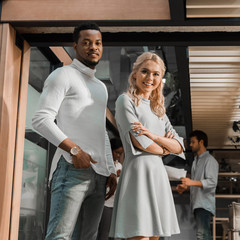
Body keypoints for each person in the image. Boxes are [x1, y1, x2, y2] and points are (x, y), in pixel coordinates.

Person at [32, 22, 117, 240]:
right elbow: (41, 120)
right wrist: (75, 151)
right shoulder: (63, 75)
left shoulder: (100, 86)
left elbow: (100, 133)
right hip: (72, 168)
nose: (93, 47)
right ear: (75, 46)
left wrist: (110, 170)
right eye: (86, 42)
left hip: (100, 174)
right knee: (59, 237)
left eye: (97, 43)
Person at [109, 52, 184, 240]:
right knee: (139, 235)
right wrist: (166, 147)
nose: (150, 78)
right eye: (145, 71)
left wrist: (153, 136)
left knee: (154, 236)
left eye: (156, 74)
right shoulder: (125, 101)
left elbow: (180, 145)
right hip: (137, 174)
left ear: (161, 78)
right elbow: (140, 143)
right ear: (135, 74)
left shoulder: (159, 110)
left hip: (157, 175)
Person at [176, 130, 219, 240]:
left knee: (203, 234)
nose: (190, 145)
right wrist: (185, 187)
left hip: (204, 204)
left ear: (201, 142)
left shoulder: (210, 160)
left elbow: (212, 182)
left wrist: (191, 182)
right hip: (197, 203)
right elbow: (195, 182)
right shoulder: (196, 161)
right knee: (202, 234)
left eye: (193, 142)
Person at [97, 138, 124, 240]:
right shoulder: (104, 163)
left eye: (120, 153)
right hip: (106, 204)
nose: (118, 155)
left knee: (113, 234)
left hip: (115, 205)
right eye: (116, 152)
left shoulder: (120, 165)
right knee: (104, 233)